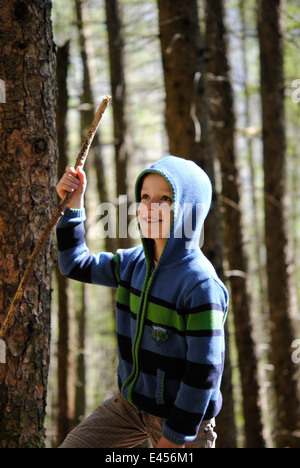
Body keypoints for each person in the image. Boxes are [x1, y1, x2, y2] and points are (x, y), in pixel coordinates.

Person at [56, 156, 229, 449]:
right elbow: (75, 264)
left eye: (165, 199)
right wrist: (74, 204)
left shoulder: (200, 284)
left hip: (185, 424)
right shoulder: (133, 263)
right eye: (145, 196)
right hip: (130, 408)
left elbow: (204, 373)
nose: (150, 206)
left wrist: (174, 437)